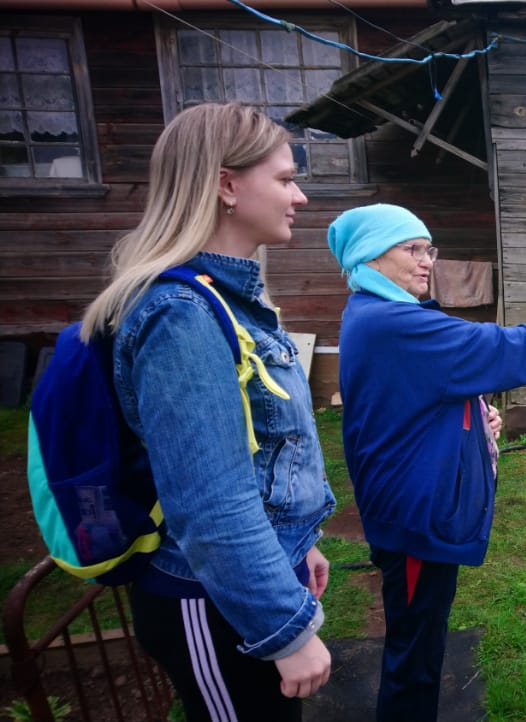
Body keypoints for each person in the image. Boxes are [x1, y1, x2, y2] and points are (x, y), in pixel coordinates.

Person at [327, 203, 526, 722]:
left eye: (429, 248)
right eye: (412, 249)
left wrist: (474, 423)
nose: (427, 260)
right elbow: (496, 348)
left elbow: (412, 399)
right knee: (414, 655)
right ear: (370, 256)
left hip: (413, 504)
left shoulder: (378, 316)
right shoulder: (391, 322)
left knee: (424, 640)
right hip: (414, 518)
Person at [79, 102, 335, 721]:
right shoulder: (182, 315)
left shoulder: (223, 299)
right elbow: (209, 502)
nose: (298, 197)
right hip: (207, 601)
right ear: (226, 185)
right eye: (284, 179)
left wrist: (300, 547)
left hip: (247, 582)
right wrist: (285, 629)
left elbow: (264, 457)